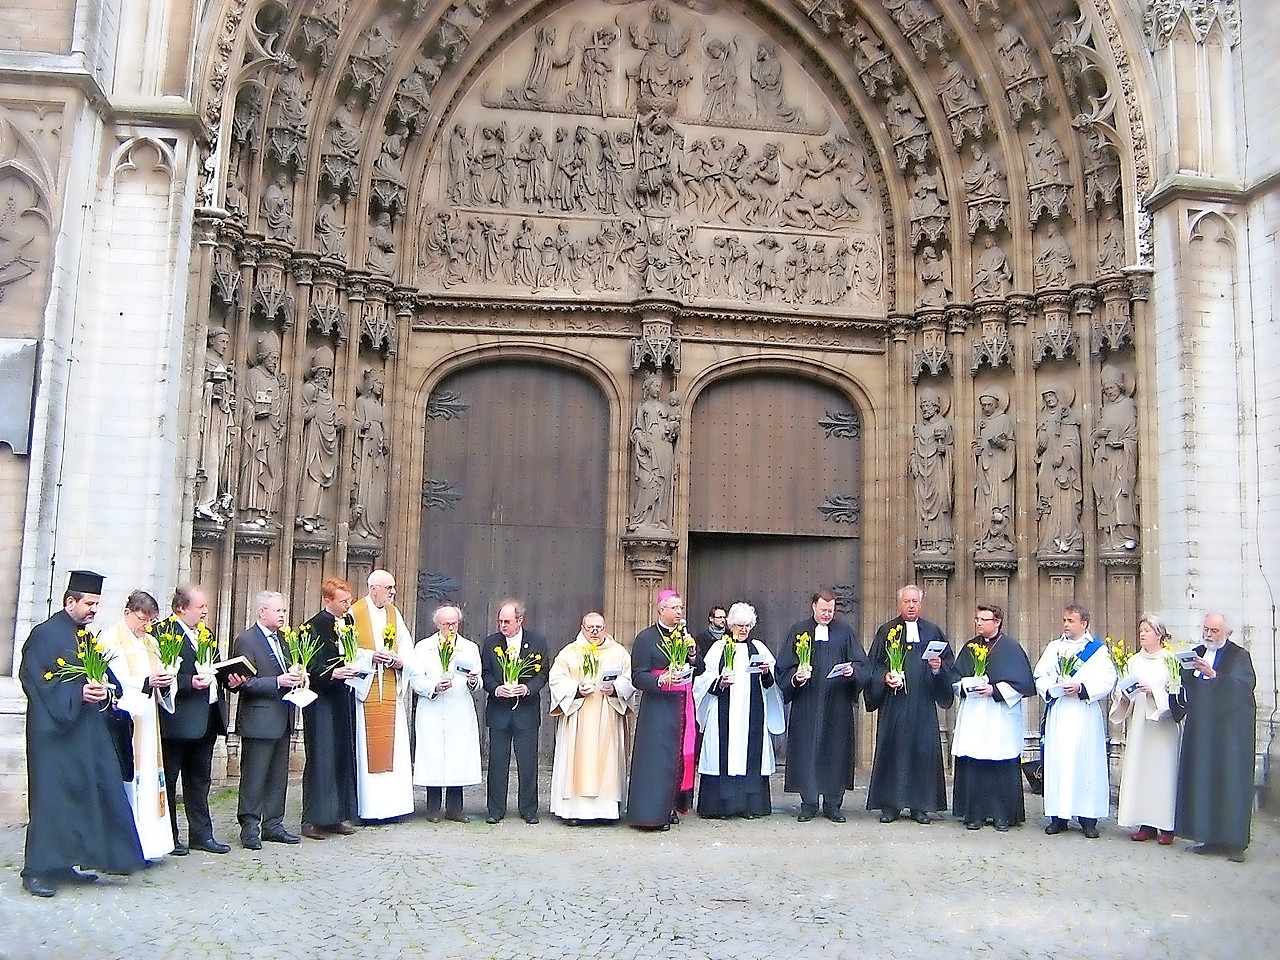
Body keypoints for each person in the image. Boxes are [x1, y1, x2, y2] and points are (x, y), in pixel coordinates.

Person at [19, 570, 145, 897]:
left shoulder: (85, 637)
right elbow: (38, 680)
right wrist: (78, 695)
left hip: (83, 733)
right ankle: (37, 870)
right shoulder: (45, 634)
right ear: (69, 601)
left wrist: (105, 692)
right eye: (89, 603)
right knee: (52, 801)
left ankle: (68, 863)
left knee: (81, 797)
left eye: (97, 604)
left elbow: (105, 678)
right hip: (53, 734)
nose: (93, 610)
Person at [864, 584, 956, 824]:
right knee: (892, 751)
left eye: (915, 601)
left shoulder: (933, 632)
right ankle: (890, 806)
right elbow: (872, 666)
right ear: (899, 604)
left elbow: (948, 665)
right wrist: (884, 677)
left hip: (923, 704)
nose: (911, 605)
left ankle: (920, 806)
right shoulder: (887, 631)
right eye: (907, 601)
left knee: (922, 752)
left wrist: (938, 669)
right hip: (895, 705)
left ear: (921, 604)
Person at [1172, 612, 1257, 862]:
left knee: (1229, 784)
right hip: (1202, 731)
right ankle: (1207, 836)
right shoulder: (1197, 652)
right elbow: (1187, 689)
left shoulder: (1239, 656)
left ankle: (1234, 843)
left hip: (1229, 734)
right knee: (1203, 781)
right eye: (1206, 630)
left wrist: (1214, 675)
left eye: (1214, 631)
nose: (1208, 635)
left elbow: (1243, 688)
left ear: (1226, 633)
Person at [98, 589, 175, 860]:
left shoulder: (152, 642)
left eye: (151, 620)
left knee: (151, 779)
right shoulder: (109, 641)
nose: (147, 625)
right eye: (142, 618)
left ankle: (152, 844)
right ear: (127, 612)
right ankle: (127, 845)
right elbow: (114, 680)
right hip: (124, 719)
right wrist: (146, 683)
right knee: (129, 777)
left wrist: (165, 683)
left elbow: (162, 676)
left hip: (149, 719)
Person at [775, 589, 865, 822]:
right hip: (807, 702)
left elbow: (860, 663)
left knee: (835, 752)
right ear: (813, 606)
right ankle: (809, 803)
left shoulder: (844, 632)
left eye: (831, 610)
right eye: (823, 610)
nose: (827, 614)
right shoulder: (798, 631)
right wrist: (796, 677)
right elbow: (783, 666)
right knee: (807, 752)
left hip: (837, 704)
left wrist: (851, 671)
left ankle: (833, 804)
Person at [157, 584, 231, 855]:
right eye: (200, 607)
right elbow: (158, 675)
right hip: (177, 722)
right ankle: (170, 836)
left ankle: (202, 835)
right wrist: (189, 682)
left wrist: (231, 676)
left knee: (200, 782)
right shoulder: (163, 634)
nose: (205, 611)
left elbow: (215, 667)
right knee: (170, 780)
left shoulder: (206, 634)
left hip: (206, 720)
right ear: (181, 608)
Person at [694, 602, 784, 819]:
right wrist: (719, 683)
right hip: (723, 712)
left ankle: (750, 806)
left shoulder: (759, 648)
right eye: (739, 625)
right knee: (721, 753)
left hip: (751, 713)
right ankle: (719, 807)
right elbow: (703, 679)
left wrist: (765, 673)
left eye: (747, 625)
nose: (743, 629)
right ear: (731, 625)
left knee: (750, 754)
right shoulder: (719, 649)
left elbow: (772, 682)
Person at [1034, 603, 1116, 838]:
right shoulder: (1054, 647)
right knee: (1059, 762)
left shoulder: (1097, 651)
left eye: (1071, 621)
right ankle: (1058, 816)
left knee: (1086, 762)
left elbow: (1107, 679)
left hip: (1084, 714)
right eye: (1064, 620)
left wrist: (1082, 688)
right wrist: (1053, 687)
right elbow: (1040, 674)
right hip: (1060, 712)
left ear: (1085, 624)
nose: (1066, 625)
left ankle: (1088, 818)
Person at [951, 604, 1035, 831]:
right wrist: (967, 685)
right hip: (975, 715)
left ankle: (1002, 815)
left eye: (984, 619)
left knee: (1000, 764)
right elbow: (956, 676)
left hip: (999, 717)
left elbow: (1022, 684)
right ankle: (974, 814)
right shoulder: (970, 647)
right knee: (975, 763)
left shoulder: (1010, 648)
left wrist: (995, 690)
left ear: (997, 622)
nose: (978, 623)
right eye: (977, 619)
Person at [547, 612, 638, 823]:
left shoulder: (619, 653)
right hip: (578, 718)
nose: (595, 632)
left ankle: (606, 812)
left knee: (607, 761)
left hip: (607, 715)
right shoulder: (569, 652)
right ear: (582, 627)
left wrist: (615, 688)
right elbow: (556, 680)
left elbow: (630, 678)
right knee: (577, 760)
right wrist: (576, 690)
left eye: (599, 627)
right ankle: (575, 812)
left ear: (605, 627)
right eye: (590, 628)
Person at [232, 590, 302, 849]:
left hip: (283, 715)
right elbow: (243, 682)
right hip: (259, 718)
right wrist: (277, 682)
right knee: (254, 775)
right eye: (278, 610)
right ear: (262, 612)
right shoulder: (247, 640)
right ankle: (250, 826)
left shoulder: (284, 640)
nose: (283, 614)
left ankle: (274, 824)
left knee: (277, 775)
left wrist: (298, 678)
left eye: (284, 610)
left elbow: (291, 669)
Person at [346, 570, 416, 822]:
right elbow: (347, 652)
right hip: (366, 694)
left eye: (394, 587)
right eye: (389, 588)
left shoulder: (393, 614)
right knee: (367, 751)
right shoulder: (354, 613)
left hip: (389, 691)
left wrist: (398, 662)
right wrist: (370, 657)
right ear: (372, 588)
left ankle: (393, 808)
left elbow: (408, 651)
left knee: (393, 750)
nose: (393, 592)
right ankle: (368, 809)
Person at [627, 590, 696, 830]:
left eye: (681, 608)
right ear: (661, 609)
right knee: (656, 760)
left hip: (680, 704)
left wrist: (693, 655)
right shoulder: (646, 638)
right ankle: (650, 813)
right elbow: (638, 676)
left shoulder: (684, 637)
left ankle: (670, 807)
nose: (679, 612)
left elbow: (697, 665)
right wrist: (660, 680)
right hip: (657, 708)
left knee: (677, 758)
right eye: (675, 608)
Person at [1110, 615, 1180, 845]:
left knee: (1162, 772)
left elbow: (1176, 692)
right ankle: (1145, 823)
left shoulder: (1170, 660)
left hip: (1162, 726)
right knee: (1141, 770)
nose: (1142, 634)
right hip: (1140, 722)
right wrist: (1124, 693)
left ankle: (1166, 825)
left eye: (1148, 630)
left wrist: (1155, 692)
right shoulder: (1133, 661)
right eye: (1141, 630)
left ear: (1159, 634)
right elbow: (1121, 691)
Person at [409, 604, 482, 823]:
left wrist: (473, 680)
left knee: (457, 757)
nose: (451, 628)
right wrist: (432, 687)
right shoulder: (423, 648)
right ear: (437, 624)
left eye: (454, 623)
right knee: (433, 755)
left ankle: (455, 808)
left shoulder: (469, 648)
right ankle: (432, 808)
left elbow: (478, 681)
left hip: (458, 707)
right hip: (432, 708)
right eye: (446, 624)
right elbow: (415, 678)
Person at [300, 578, 360, 840]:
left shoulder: (348, 623)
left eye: (349, 601)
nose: (348, 606)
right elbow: (308, 666)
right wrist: (333, 672)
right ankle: (312, 818)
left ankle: (336, 814)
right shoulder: (312, 627)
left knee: (341, 754)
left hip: (342, 696)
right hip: (321, 698)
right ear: (328, 601)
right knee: (321, 757)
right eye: (342, 601)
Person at [481, 599, 549, 824]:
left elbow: (543, 674)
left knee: (528, 762)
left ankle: (528, 809)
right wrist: (496, 688)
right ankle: (495, 810)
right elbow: (486, 673)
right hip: (499, 710)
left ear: (520, 620)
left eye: (507, 621)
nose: (503, 625)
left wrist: (528, 688)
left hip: (526, 711)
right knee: (497, 762)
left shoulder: (536, 642)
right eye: (500, 621)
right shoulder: (491, 643)